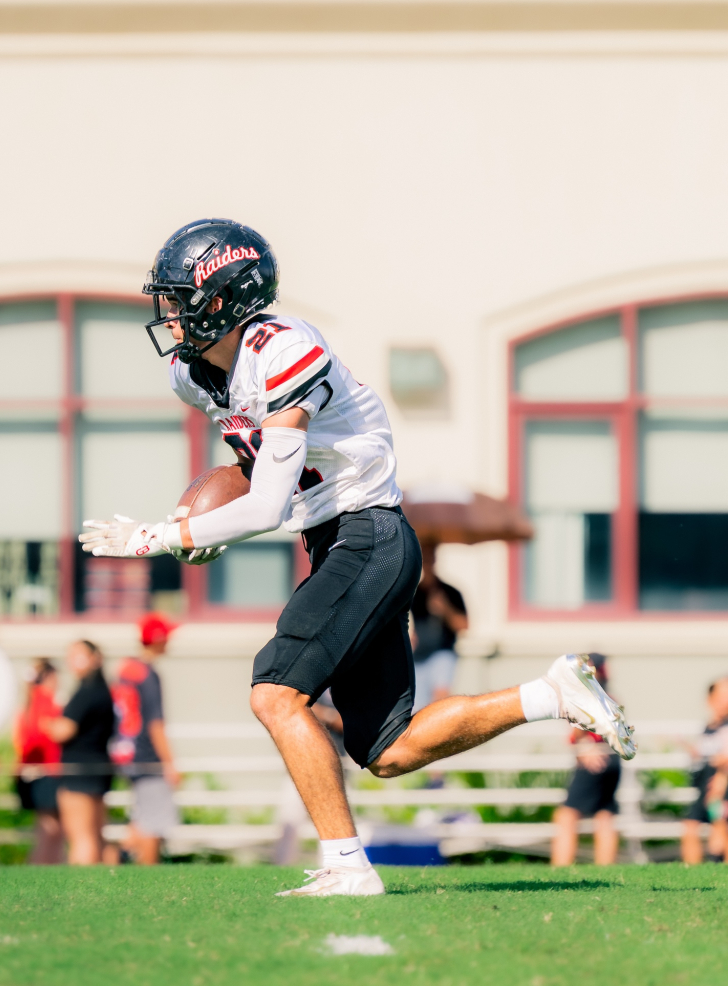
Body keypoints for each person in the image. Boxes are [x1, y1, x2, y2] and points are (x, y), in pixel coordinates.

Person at [79, 219, 636, 897]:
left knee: (275, 693)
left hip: (367, 535)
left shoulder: (283, 349)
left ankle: (346, 866)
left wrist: (162, 538)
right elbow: (256, 467)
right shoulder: (193, 374)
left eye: (178, 298)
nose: (167, 313)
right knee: (389, 748)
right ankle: (552, 693)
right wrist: (203, 522)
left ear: (222, 297)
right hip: (338, 541)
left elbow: (267, 505)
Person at [109, 614, 180, 864]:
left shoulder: (127, 670)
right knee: (153, 825)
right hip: (147, 757)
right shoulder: (148, 675)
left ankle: (112, 858)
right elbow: (155, 724)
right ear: (158, 639)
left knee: (141, 819)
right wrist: (169, 763)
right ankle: (147, 877)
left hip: (126, 752)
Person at [42, 640, 114, 865]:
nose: (71, 660)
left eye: (77, 655)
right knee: (97, 835)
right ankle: (113, 881)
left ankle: (83, 885)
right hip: (98, 766)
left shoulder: (87, 691)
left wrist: (46, 723)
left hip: (79, 770)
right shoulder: (102, 690)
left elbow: (64, 730)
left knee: (81, 836)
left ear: (94, 659)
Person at [551, 654, 621, 866]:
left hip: (594, 761)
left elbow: (580, 729)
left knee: (566, 816)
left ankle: (561, 868)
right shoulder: (611, 699)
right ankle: (605, 868)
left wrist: (583, 746)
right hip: (612, 760)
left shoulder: (588, 696)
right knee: (604, 815)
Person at [15, 659, 64, 864]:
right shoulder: (45, 703)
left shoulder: (30, 703)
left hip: (35, 773)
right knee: (49, 831)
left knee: (49, 829)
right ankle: (41, 871)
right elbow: (44, 736)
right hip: (47, 772)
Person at [411, 542, 468, 712]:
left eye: (430, 557)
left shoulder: (450, 592)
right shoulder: (412, 593)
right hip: (417, 658)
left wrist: (445, 610)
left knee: (439, 705)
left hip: (442, 654)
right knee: (418, 709)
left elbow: (463, 625)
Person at [680, 677, 728, 864]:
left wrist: (720, 781)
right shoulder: (710, 726)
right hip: (706, 784)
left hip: (719, 785)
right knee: (692, 825)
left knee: (720, 828)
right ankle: (692, 871)